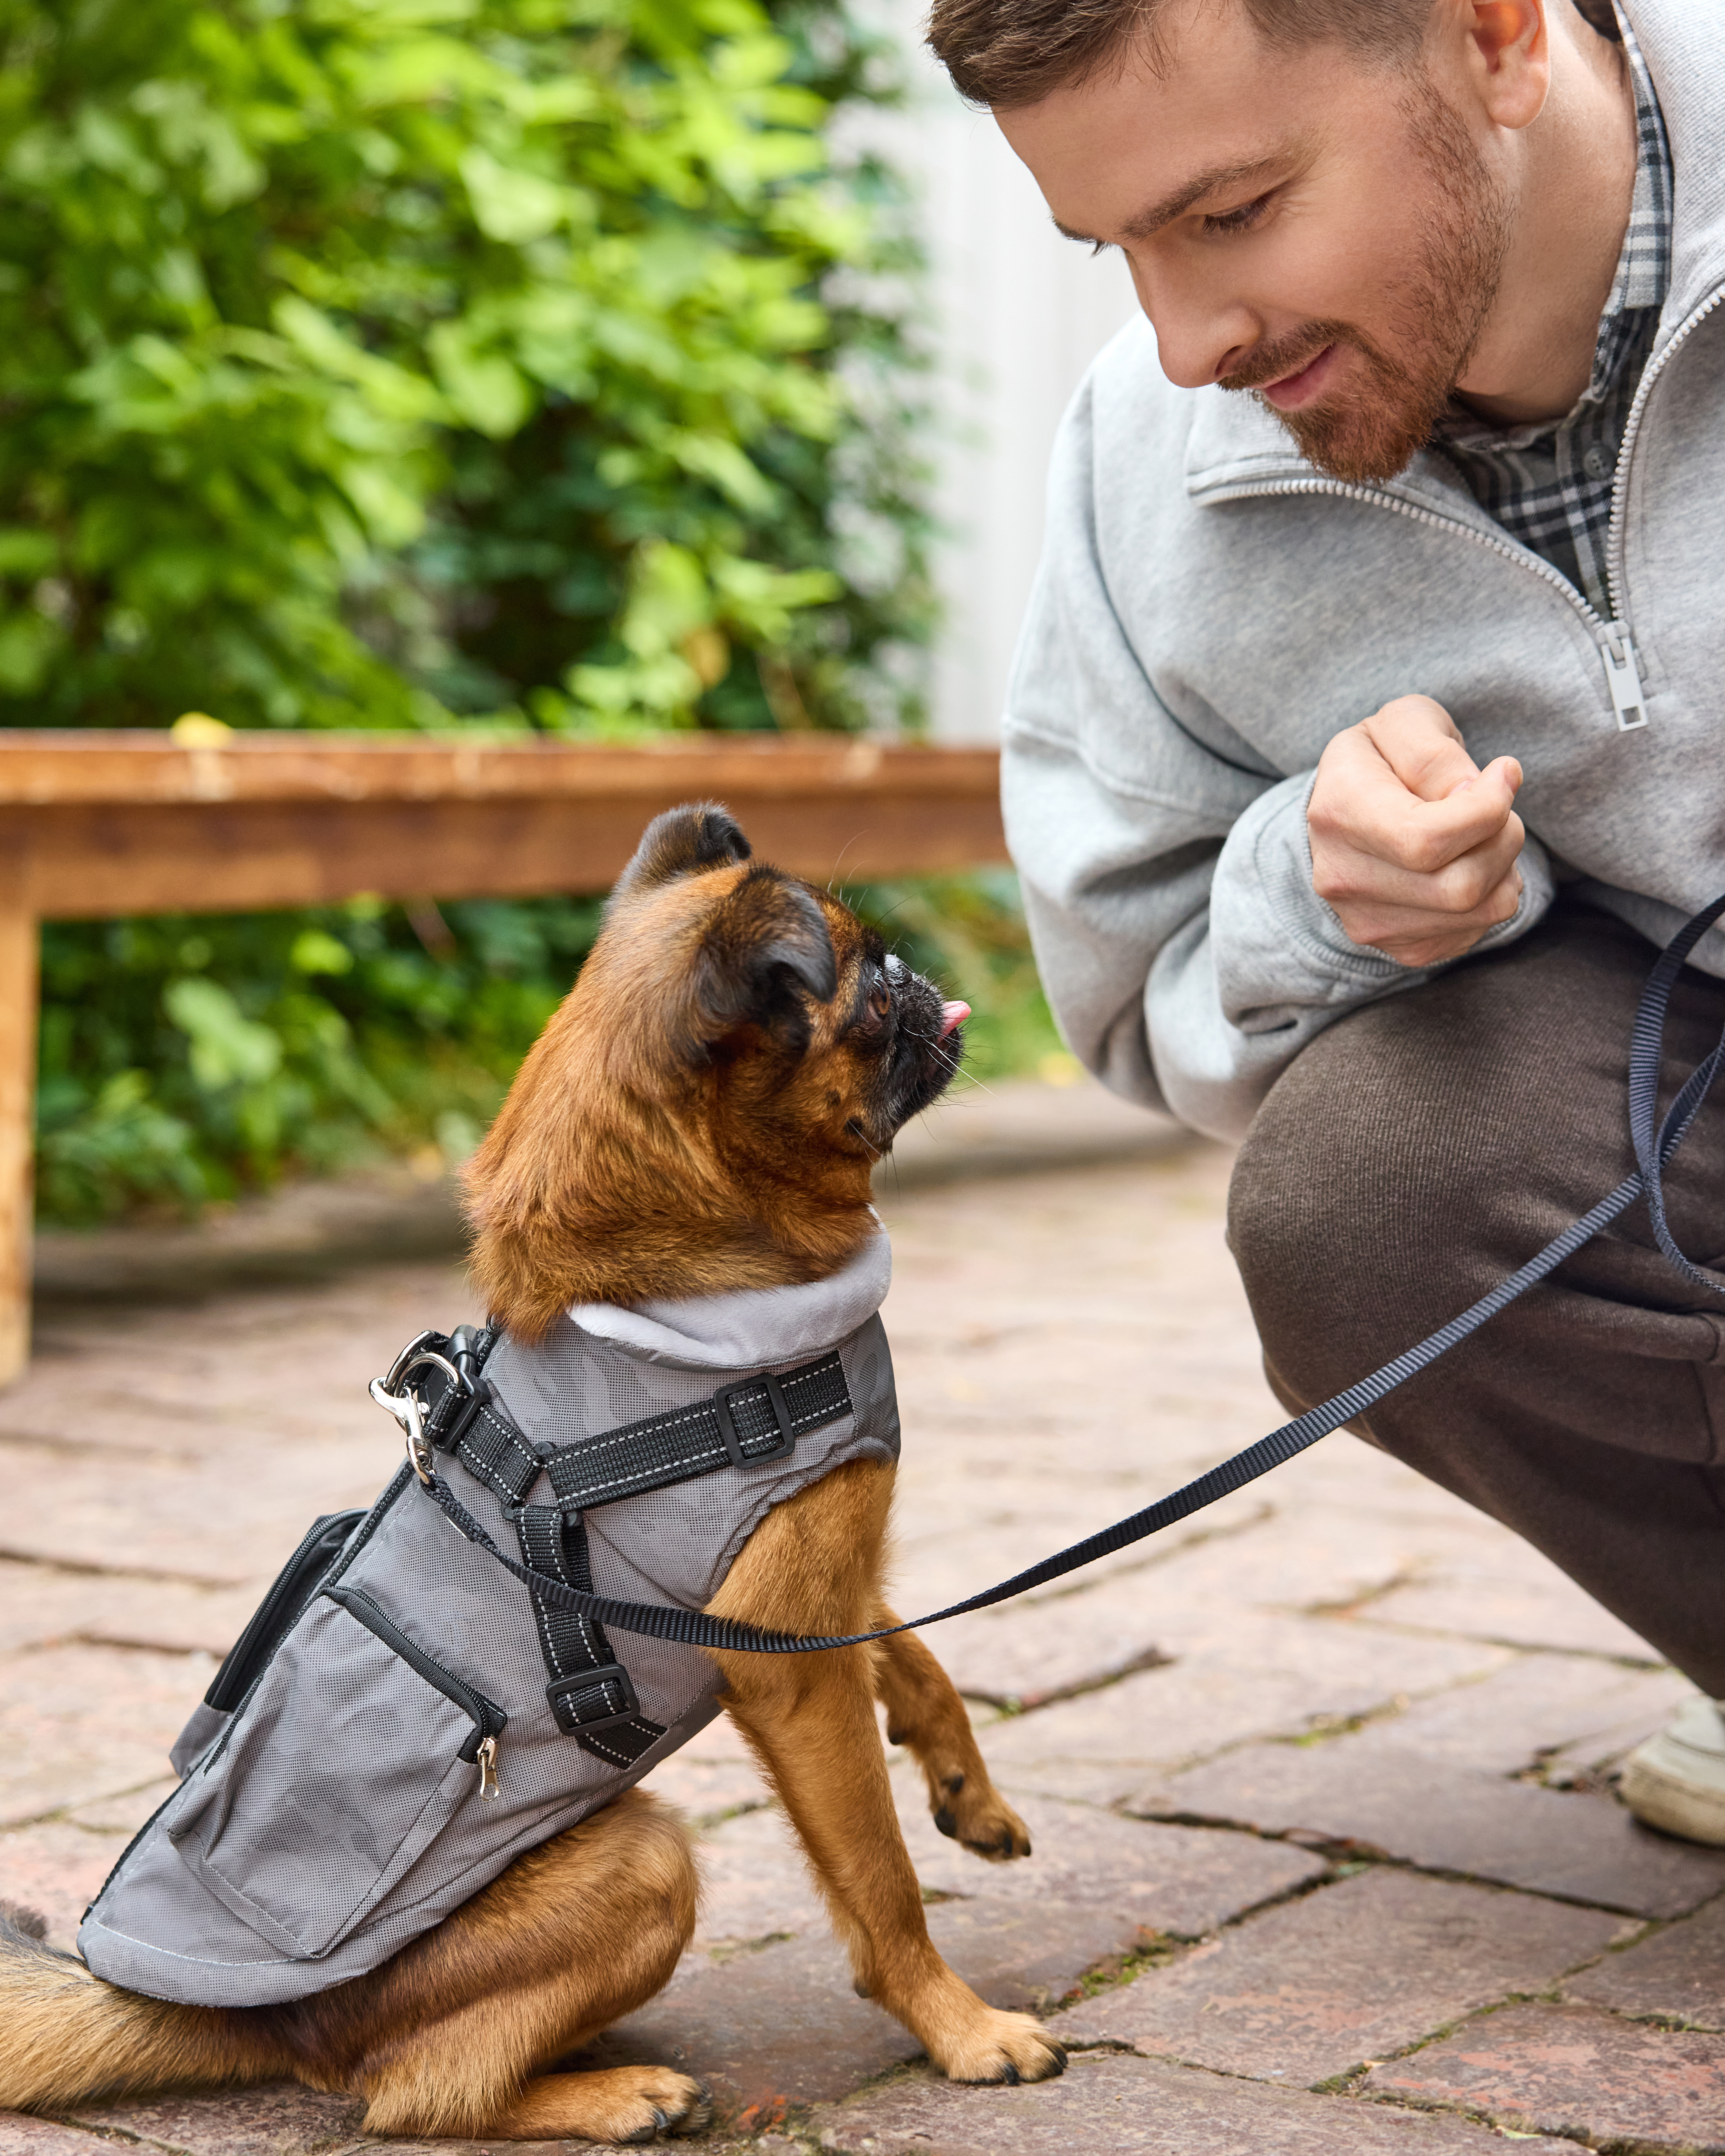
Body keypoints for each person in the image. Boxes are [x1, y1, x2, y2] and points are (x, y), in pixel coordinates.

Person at [923, 0, 1725, 1843]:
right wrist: (1325, 895)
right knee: (1364, 1198)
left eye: (1230, 212)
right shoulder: (1148, 466)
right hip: (1677, 1093)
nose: (1182, 339)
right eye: (1112, 248)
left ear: (1492, 38)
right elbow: (1136, 993)